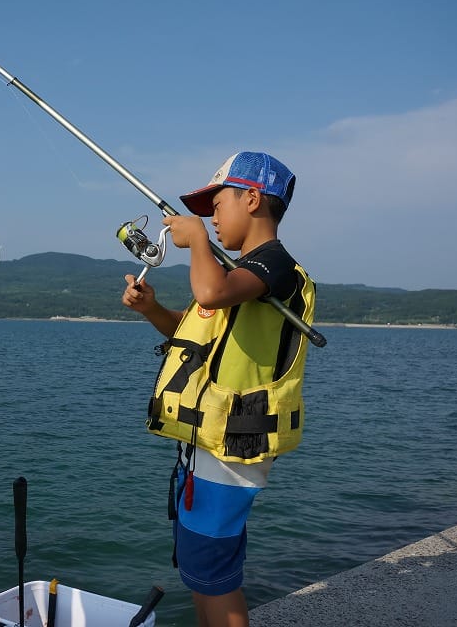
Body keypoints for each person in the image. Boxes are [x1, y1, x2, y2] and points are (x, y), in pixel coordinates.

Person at [121, 152, 315, 627]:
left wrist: (199, 243)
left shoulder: (274, 265)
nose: (209, 217)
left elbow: (209, 294)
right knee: (200, 569)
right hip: (210, 441)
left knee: (214, 573)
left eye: (216, 204)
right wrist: (152, 309)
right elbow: (190, 330)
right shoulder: (235, 275)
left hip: (231, 447)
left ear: (251, 199)